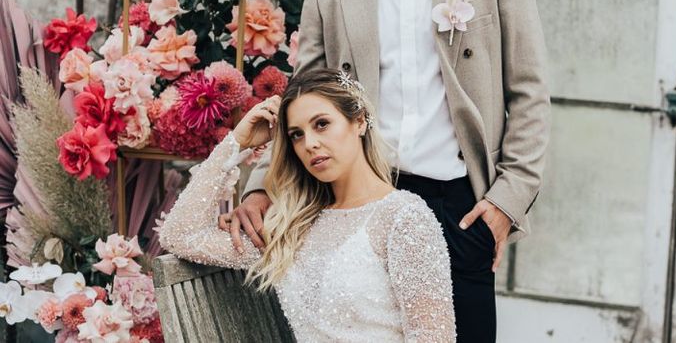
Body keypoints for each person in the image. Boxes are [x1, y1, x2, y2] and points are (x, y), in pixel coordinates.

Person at [230, 0, 551, 341]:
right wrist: (260, 186)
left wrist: (505, 202)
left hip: (460, 208)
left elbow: (530, 94)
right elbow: (299, 101)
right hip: (361, 204)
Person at [159, 67, 455, 342]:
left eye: (322, 124)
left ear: (360, 120)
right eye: (296, 135)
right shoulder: (292, 225)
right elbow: (181, 235)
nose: (309, 143)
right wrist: (237, 142)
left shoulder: (403, 218)